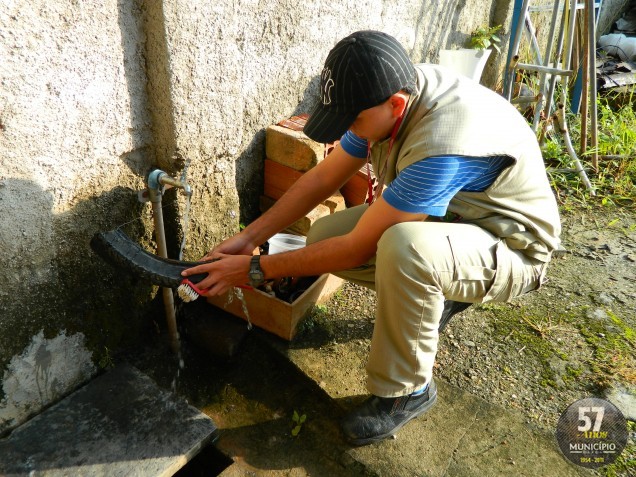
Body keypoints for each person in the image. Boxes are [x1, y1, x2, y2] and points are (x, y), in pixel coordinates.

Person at [182, 30, 562, 446]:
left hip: (512, 245)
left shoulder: (440, 144)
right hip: (459, 219)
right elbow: (325, 175)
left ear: (395, 105)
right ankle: (441, 293)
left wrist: (254, 269)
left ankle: (408, 392)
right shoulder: (389, 95)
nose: (349, 129)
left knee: (406, 250)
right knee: (324, 234)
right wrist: (248, 238)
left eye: (353, 121)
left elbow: (360, 247)